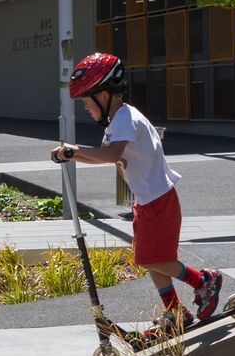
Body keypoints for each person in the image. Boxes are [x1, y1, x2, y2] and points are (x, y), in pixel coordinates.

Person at [48, 51, 222, 337]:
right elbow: (105, 156)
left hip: (159, 201)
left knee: (153, 258)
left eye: (85, 102)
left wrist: (75, 150)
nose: (85, 108)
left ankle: (204, 280)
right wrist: (73, 155)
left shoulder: (125, 118)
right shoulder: (118, 120)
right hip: (148, 202)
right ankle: (176, 312)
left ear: (103, 95)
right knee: (150, 257)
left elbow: (111, 154)